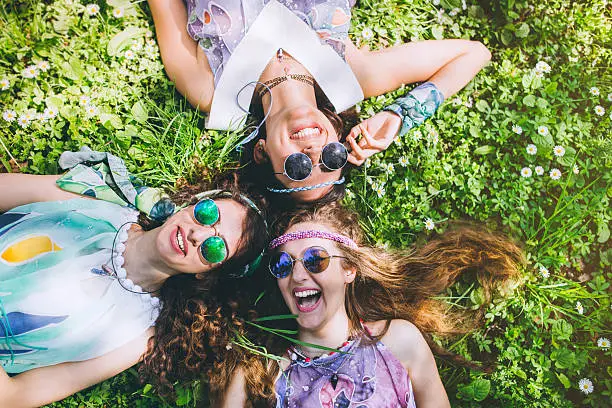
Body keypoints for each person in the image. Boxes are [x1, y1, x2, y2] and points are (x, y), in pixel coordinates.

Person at [147, 0, 492, 203]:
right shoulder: (349, 74)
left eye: (298, 167)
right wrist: (400, 115)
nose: (313, 153)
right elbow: (474, 53)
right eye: (331, 158)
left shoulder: (211, 89)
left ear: (262, 152)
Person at [0, 164, 268, 407]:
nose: (197, 234)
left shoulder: (138, 335)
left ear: (208, 276)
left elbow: (15, 395)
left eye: (215, 248)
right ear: (191, 203)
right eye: (207, 213)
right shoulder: (98, 200)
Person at [214, 205, 523, 407]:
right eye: (283, 265)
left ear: (349, 270)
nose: (296, 275)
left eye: (315, 260)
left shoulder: (399, 342)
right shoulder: (260, 372)